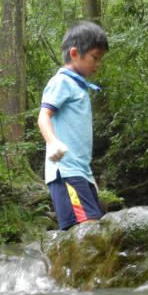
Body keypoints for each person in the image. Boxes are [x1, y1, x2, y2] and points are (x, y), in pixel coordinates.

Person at [38, 21, 109, 230]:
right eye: (95, 57)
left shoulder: (79, 85)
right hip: (66, 171)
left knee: (91, 231)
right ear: (75, 53)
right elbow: (43, 116)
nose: (98, 64)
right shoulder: (62, 82)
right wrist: (52, 142)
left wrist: (90, 177)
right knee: (86, 232)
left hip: (80, 172)